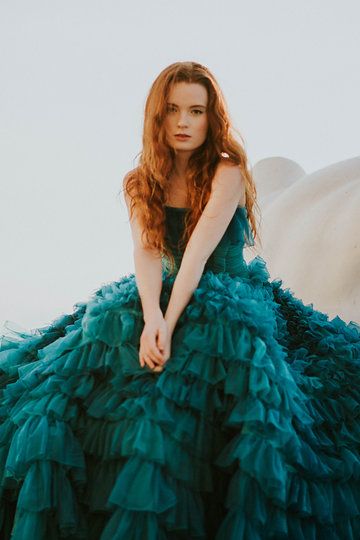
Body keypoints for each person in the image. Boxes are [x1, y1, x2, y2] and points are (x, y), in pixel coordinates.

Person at [0, 61, 360, 540]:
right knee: (90, 358)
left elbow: (196, 255)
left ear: (212, 119)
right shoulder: (139, 180)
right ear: (158, 116)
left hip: (226, 290)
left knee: (229, 358)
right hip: (161, 289)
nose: (185, 121)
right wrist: (151, 317)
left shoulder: (228, 170)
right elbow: (148, 252)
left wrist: (168, 324)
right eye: (174, 110)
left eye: (197, 110)